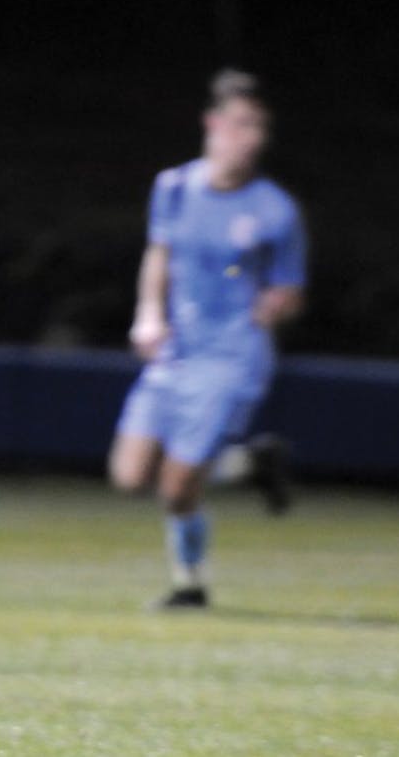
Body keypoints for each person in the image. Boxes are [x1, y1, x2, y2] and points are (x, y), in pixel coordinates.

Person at [108, 70, 307, 609]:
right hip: (177, 351)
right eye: (241, 124)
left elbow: (290, 288)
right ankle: (248, 463)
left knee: (177, 486)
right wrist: (149, 315)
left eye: (259, 127)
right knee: (129, 474)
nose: (251, 137)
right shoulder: (173, 187)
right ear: (213, 124)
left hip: (232, 356)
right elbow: (159, 255)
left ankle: (189, 585)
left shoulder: (275, 210)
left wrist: (277, 304)